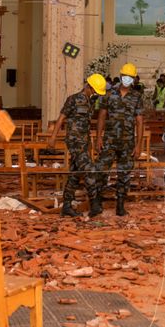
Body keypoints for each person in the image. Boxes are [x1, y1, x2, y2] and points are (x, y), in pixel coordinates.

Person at [48, 74, 107, 217]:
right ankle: (95, 205)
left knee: (75, 174)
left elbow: (86, 126)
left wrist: (89, 145)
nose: (95, 94)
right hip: (74, 142)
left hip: (84, 142)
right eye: (94, 91)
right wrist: (53, 138)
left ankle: (67, 207)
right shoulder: (73, 99)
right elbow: (61, 118)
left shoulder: (90, 102)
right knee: (89, 171)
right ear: (89, 86)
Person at [93, 62, 145, 217]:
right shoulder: (109, 94)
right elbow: (101, 116)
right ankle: (96, 203)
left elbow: (140, 121)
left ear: (134, 79)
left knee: (124, 174)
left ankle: (120, 205)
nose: (127, 79)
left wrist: (138, 145)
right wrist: (98, 138)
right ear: (121, 76)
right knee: (101, 170)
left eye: (130, 77)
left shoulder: (137, 97)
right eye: (125, 76)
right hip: (109, 140)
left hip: (127, 142)